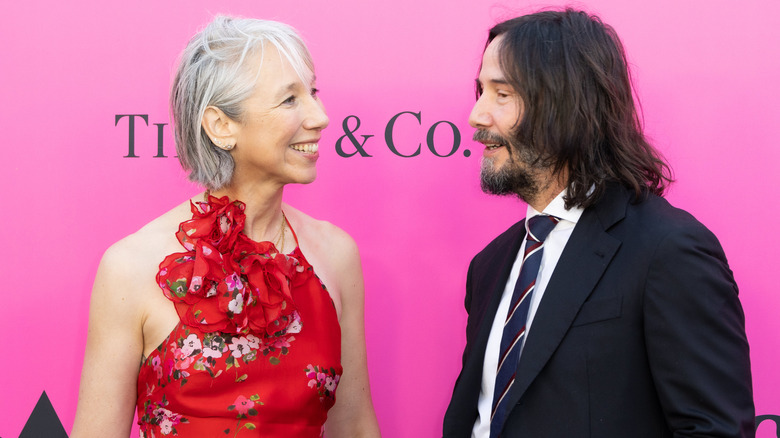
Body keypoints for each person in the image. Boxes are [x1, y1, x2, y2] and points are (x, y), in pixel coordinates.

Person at [443, 9, 754, 438]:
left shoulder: (669, 252)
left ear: (565, 103)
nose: (477, 116)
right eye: (480, 91)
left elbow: (714, 429)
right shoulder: (491, 265)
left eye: (502, 93)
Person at [72, 16, 380, 437]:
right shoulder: (131, 266)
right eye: (290, 100)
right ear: (221, 126)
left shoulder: (335, 254)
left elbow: (355, 425)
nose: (320, 116)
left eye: (313, 92)